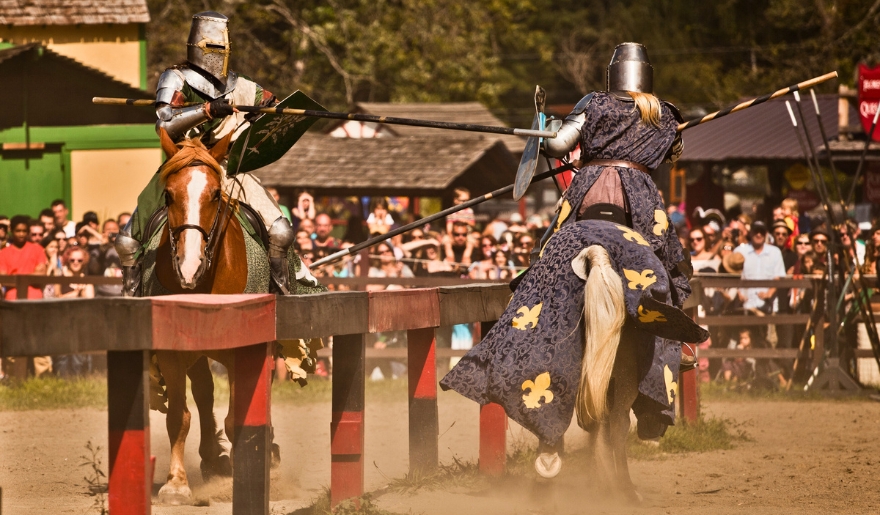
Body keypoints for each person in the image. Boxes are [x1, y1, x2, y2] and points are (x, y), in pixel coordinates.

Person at [441, 43, 707, 457]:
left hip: (586, 197)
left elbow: (558, 146)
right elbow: (671, 154)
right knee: (667, 271)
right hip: (641, 207)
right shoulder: (664, 113)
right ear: (647, 74)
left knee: (547, 263)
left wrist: (541, 130)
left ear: (611, 73)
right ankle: (679, 351)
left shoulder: (593, 103)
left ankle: (523, 328)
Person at [116, 11, 297, 296]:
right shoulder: (176, 79)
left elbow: (271, 104)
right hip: (184, 164)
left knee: (281, 232)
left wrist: (275, 110)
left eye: (222, 49)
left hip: (228, 167)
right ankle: (132, 292)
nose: (218, 55)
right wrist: (207, 110)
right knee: (127, 240)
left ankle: (282, 290)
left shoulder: (242, 85)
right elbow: (164, 122)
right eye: (212, 48)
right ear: (196, 46)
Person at [735, 221, 786, 314]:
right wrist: (738, 293)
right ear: (750, 233)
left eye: (761, 232)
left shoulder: (775, 252)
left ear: (766, 234)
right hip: (745, 306)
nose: (758, 234)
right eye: (756, 231)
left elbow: (778, 277)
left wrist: (769, 293)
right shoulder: (740, 251)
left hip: (768, 307)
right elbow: (732, 275)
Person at [0, 215, 48, 299]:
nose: (21, 234)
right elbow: (4, 280)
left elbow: (41, 275)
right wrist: (30, 277)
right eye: (18, 231)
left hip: (35, 299)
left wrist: (15, 277)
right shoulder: (3, 253)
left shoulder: (38, 249)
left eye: (24, 231)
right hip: (13, 299)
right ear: (11, 230)